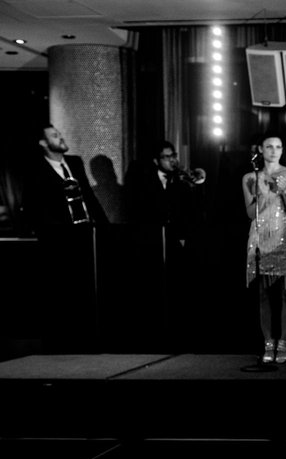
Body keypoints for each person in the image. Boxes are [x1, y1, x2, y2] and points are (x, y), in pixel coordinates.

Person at [21, 123, 109, 351]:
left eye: (59, 134)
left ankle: (91, 339)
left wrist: (105, 228)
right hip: (60, 242)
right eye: (54, 135)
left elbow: (89, 197)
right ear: (43, 143)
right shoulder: (36, 169)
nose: (61, 137)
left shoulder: (75, 162)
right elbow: (34, 208)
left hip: (85, 236)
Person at [123, 140, 207, 342]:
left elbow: (191, 211)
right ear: (156, 160)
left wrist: (191, 187)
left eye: (173, 155)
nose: (172, 160)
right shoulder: (144, 181)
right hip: (152, 241)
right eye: (167, 157)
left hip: (178, 241)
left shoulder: (180, 181)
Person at [242, 134, 286, 364]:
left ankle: (283, 342)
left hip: (284, 236)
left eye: (278, 146)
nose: (274, 150)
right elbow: (250, 214)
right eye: (269, 146)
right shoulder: (250, 177)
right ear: (261, 149)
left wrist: (285, 192)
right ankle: (268, 342)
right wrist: (258, 192)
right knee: (263, 292)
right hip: (260, 237)